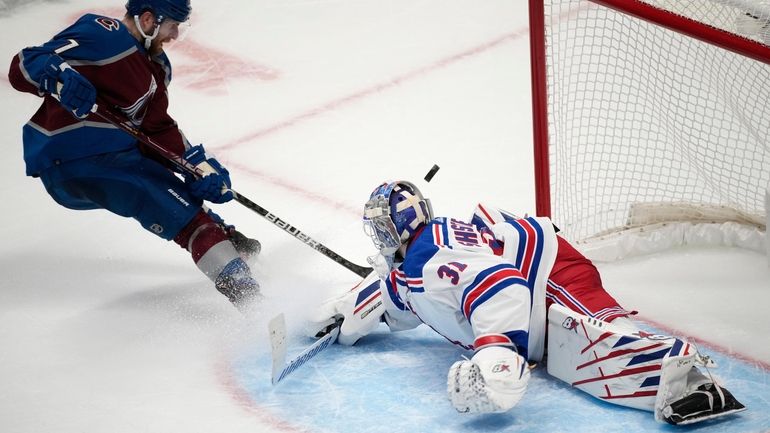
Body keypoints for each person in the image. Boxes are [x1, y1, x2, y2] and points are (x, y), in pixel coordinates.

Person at [309, 180, 746, 425]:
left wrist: (497, 352)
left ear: (404, 225)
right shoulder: (416, 257)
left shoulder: (433, 255)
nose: (379, 238)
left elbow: (503, 285)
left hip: (550, 272)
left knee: (598, 341)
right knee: (564, 346)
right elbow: (407, 300)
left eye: (384, 228)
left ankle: (693, 385)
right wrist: (354, 309)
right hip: (534, 275)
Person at [7, 0, 261, 310]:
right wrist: (57, 74)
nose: (176, 34)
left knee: (174, 193)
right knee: (185, 217)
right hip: (75, 157)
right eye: (173, 25)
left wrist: (197, 166)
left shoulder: (158, 67)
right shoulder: (102, 33)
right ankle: (253, 303)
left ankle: (223, 240)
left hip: (116, 158)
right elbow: (23, 64)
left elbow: (157, 130)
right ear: (148, 19)